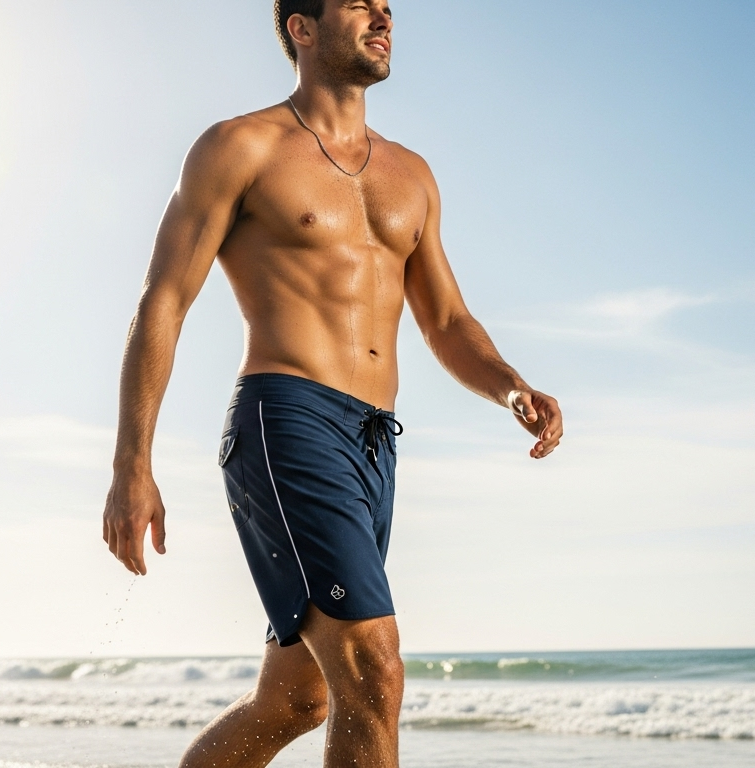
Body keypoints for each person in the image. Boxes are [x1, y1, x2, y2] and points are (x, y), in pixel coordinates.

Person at [101, 1, 563, 765]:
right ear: (302, 29)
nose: (384, 15)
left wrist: (511, 386)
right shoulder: (239, 147)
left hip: (376, 442)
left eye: (388, 7)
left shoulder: (411, 174)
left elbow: (445, 321)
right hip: (287, 420)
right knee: (374, 672)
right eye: (360, 4)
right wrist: (131, 465)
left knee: (296, 699)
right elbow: (164, 301)